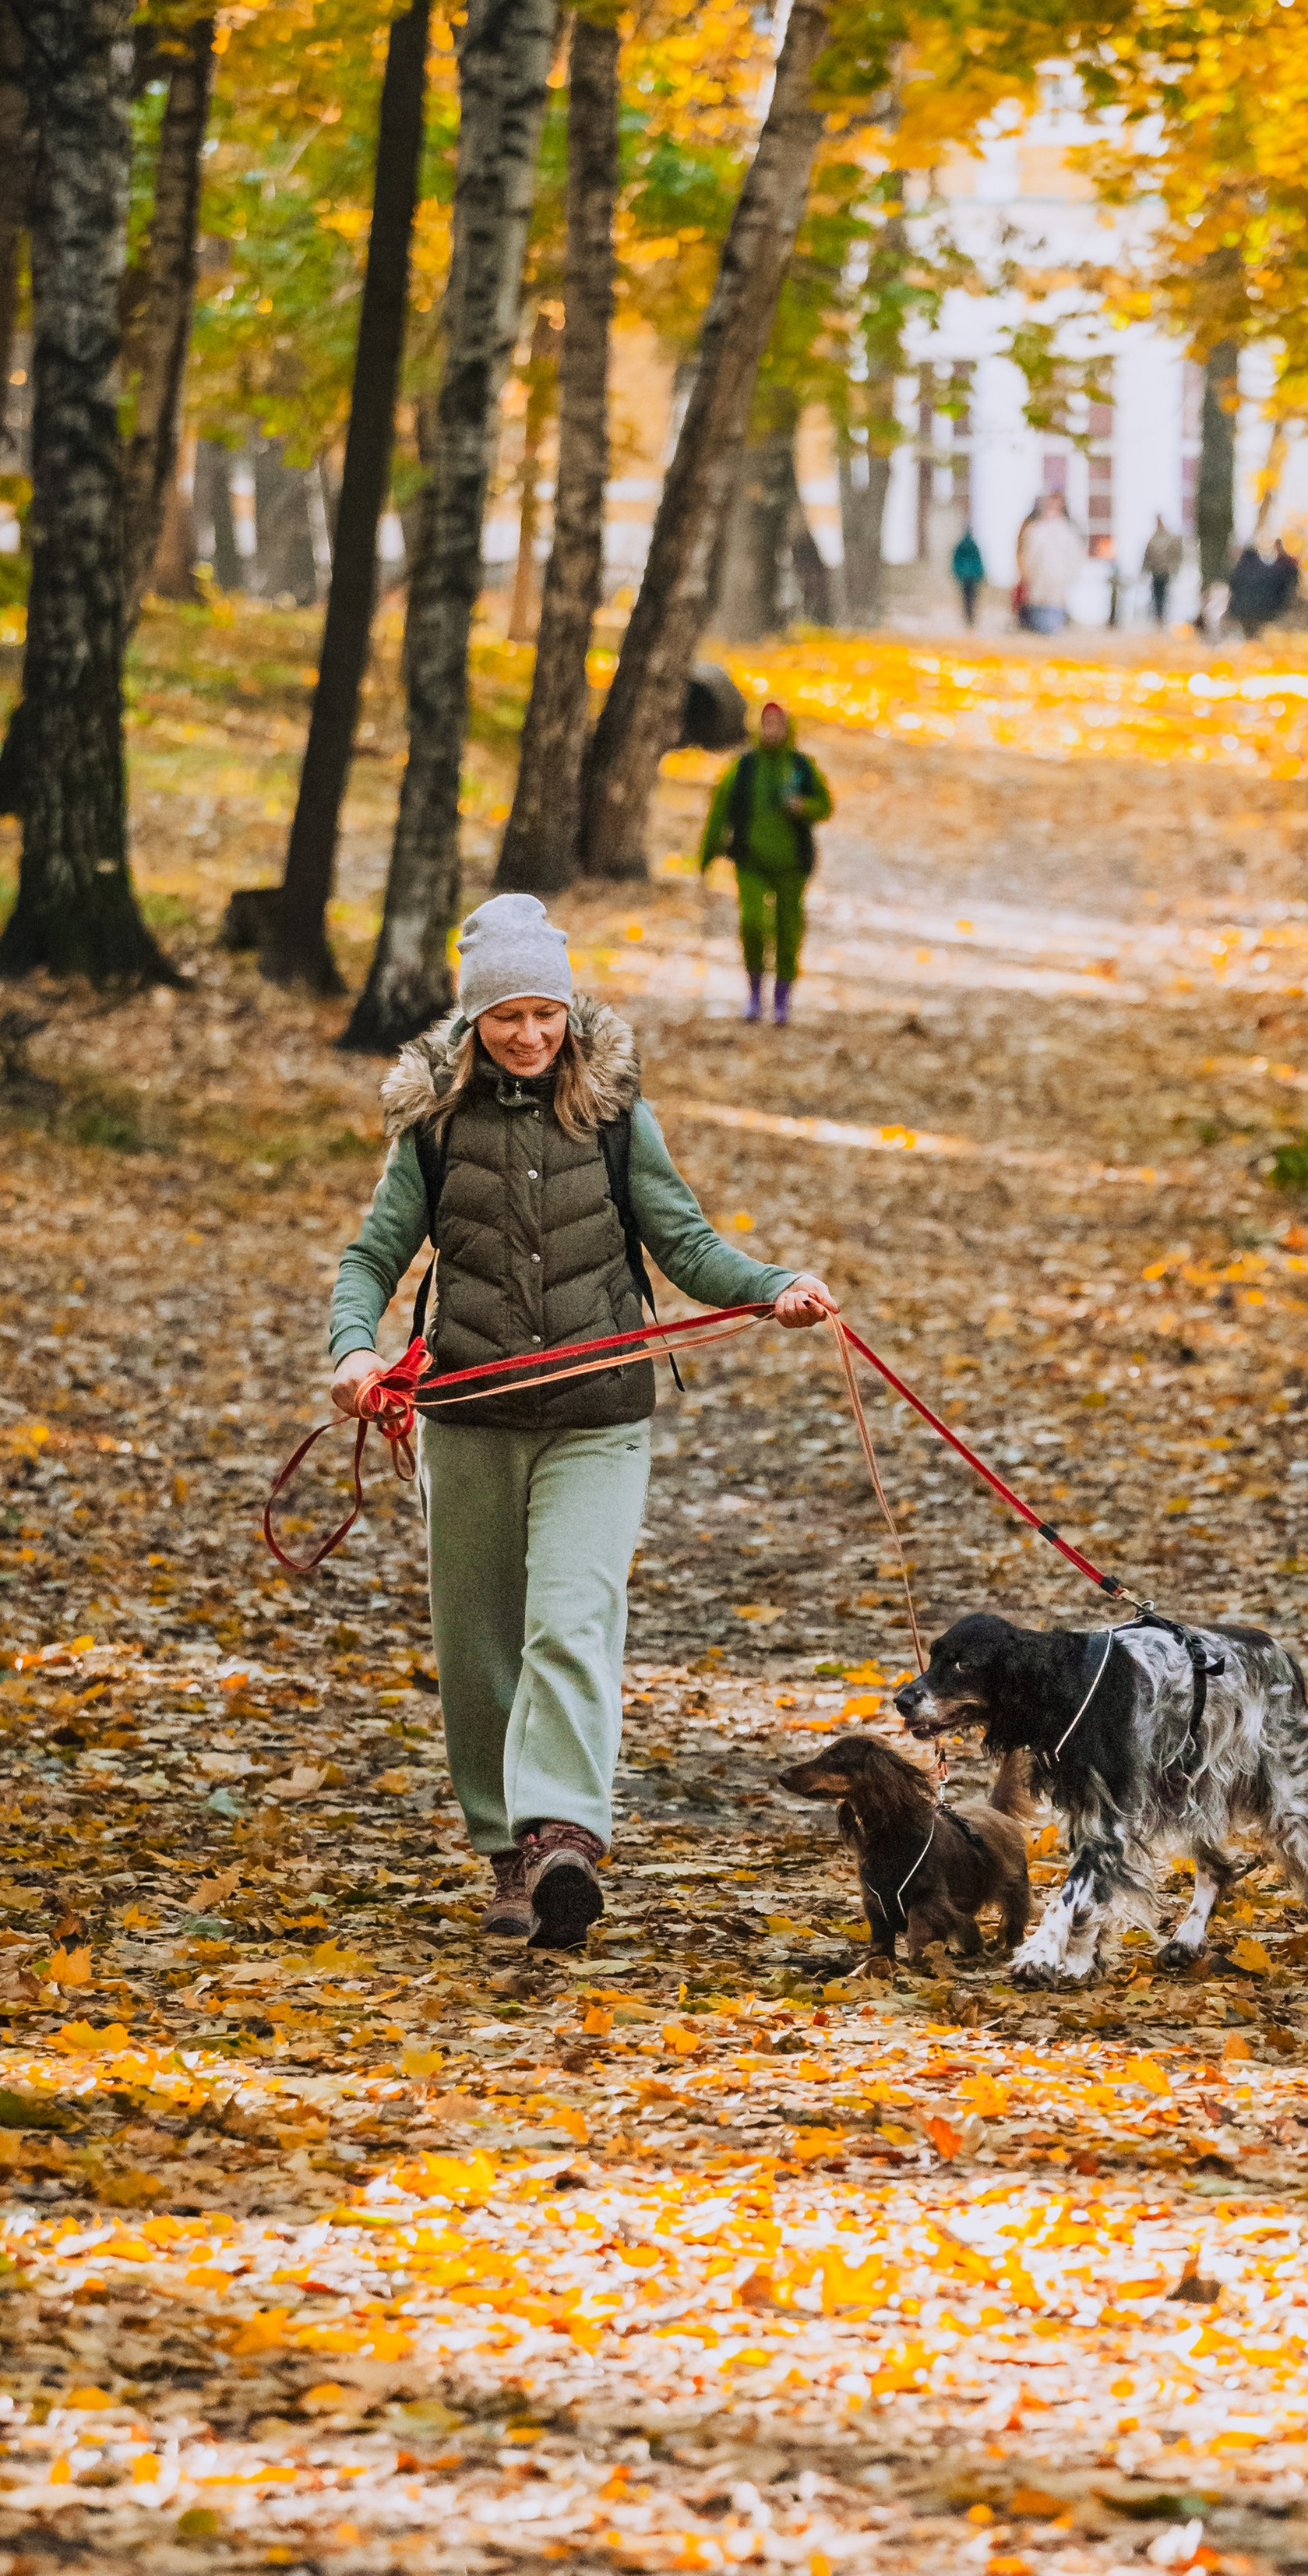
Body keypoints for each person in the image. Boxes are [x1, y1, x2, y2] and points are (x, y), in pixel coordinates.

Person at [327, 892, 836, 1953]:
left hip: (599, 1416)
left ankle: (564, 1838)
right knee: (480, 1645)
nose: (530, 1035)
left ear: (568, 1012)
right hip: (468, 1415)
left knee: (572, 1617)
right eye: (508, 1016)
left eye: (546, 1014)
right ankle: (505, 1852)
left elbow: (686, 1243)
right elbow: (371, 1259)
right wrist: (354, 1349)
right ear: (474, 1023)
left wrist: (774, 1287)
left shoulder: (612, 1116)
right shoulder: (432, 1126)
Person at [698, 698, 832, 1025]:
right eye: (766, 723)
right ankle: (755, 994)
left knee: (789, 931)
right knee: (754, 923)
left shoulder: (801, 767)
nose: (771, 730)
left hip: (792, 866)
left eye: (778, 724)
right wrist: (705, 859)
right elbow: (719, 813)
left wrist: (804, 807)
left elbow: (825, 805)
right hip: (750, 862)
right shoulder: (744, 768)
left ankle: (782, 1000)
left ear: (788, 729)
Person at [1017, 492, 1084, 635]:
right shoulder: (1038, 531)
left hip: (1049, 582)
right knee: (1044, 612)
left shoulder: (1063, 532)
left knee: (1047, 612)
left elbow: (1073, 557)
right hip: (1045, 582)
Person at [1142, 517, 1183, 626]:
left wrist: (1173, 567)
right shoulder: (1153, 538)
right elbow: (1148, 555)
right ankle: (1157, 615)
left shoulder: (1170, 538)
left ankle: (1163, 615)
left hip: (1165, 571)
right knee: (1156, 594)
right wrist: (1145, 569)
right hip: (1155, 571)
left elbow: (1176, 554)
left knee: (1164, 594)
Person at [951, 524, 985, 627]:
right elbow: (978, 562)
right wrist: (981, 574)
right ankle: (971, 617)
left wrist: (958, 573)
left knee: (965, 598)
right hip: (973, 577)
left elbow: (956, 561)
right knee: (972, 598)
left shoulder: (960, 545)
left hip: (964, 576)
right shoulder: (974, 545)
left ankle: (967, 617)